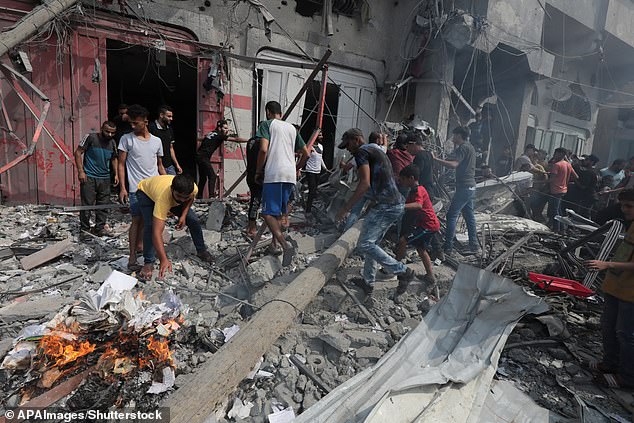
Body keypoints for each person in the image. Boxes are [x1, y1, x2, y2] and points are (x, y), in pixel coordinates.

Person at [335, 128, 414, 296]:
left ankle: (403, 271)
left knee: (365, 244)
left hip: (388, 205)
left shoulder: (362, 152)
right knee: (372, 243)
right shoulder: (375, 149)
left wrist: (345, 209)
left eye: (348, 144)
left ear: (357, 140)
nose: (348, 149)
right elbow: (378, 181)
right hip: (392, 203)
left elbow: (364, 184)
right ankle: (368, 282)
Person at [585, 189, 634, 390]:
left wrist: (608, 265)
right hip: (616, 286)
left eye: (629, 206)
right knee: (609, 327)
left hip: (630, 292)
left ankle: (627, 378)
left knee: (626, 334)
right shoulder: (631, 225)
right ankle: (609, 363)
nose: (624, 210)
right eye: (622, 205)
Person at [255, 101, 309, 266]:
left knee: (267, 213)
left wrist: (258, 170)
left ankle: (285, 245)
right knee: (279, 212)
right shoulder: (292, 128)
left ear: (268, 112)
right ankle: (275, 244)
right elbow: (306, 153)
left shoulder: (267, 124)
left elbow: (263, 149)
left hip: (274, 173)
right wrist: (297, 167)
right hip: (289, 175)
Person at [136, 174, 212, 279]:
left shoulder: (193, 189)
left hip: (164, 193)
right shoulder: (163, 198)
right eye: (179, 196)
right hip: (145, 193)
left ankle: (201, 250)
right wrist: (164, 259)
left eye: (184, 197)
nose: (181, 200)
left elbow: (190, 199)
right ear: (172, 189)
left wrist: (184, 216)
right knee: (150, 226)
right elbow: (156, 233)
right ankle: (148, 262)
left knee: (193, 220)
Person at [118, 104, 166, 271]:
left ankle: (142, 247)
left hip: (153, 189)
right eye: (130, 123)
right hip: (135, 189)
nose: (132, 126)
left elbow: (160, 166)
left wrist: (167, 184)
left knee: (150, 221)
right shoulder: (126, 139)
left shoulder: (157, 141)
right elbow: (121, 164)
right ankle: (132, 255)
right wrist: (123, 188)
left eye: (135, 123)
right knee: (136, 220)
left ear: (145, 122)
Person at [433, 127, 479, 256]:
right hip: (470, 187)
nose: (453, 138)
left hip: (464, 187)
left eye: (454, 135)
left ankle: (448, 247)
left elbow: (454, 164)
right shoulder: (470, 147)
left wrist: (436, 159)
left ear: (459, 135)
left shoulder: (463, 148)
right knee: (469, 217)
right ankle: (474, 246)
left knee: (451, 215)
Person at [394, 164, 440, 294]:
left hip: (428, 225)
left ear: (411, 178)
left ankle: (395, 268)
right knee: (421, 249)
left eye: (403, 179)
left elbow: (418, 205)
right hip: (427, 224)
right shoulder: (413, 191)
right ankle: (430, 276)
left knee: (403, 241)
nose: (401, 181)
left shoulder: (419, 190)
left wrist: (401, 206)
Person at [74, 121, 119, 236]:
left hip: (105, 178)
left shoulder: (112, 143)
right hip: (89, 177)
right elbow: (78, 153)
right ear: (101, 129)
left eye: (112, 133)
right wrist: (81, 171)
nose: (109, 135)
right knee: (87, 206)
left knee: (103, 205)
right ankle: (84, 229)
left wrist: (116, 174)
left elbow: (114, 159)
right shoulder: (90, 138)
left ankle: (100, 228)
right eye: (107, 131)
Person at [196, 119, 248, 198]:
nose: (227, 130)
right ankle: (211, 197)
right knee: (212, 176)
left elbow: (202, 138)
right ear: (220, 128)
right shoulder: (220, 135)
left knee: (203, 178)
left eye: (227, 128)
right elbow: (236, 140)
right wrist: (249, 140)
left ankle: (199, 197)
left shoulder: (212, 133)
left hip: (199, 156)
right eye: (225, 128)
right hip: (203, 157)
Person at [533, 147, 578, 231]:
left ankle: (556, 229)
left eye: (556, 153)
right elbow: (576, 176)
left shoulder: (556, 165)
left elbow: (551, 180)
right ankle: (562, 229)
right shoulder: (567, 164)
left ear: (561, 154)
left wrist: (537, 182)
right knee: (559, 210)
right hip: (563, 190)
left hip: (556, 191)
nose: (554, 155)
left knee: (554, 211)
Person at [149, 105, 182, 176]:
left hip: (169, 166)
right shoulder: (151, 128)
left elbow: (171, 148)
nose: (171, 119)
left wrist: (177, 164)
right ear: (161, 115)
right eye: (169, 116)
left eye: (172, 116)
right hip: (155, 167)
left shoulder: (169, 129)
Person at [304, 132, 327, 220]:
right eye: (320, 135)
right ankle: (308, 210)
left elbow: (320, 159)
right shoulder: (309, 146)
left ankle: (311, 207)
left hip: (318, 171)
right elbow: (304, 157)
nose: (322, 136)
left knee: (315, 191)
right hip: (310, 171)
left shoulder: (321, 147)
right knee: (312, 191)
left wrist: (325, 168)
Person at [245, 135, 262, 238]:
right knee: (256, 201)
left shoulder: (251, 140)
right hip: (258, 175)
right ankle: (251, 229)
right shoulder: (262, 142)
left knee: (255, 201)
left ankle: (252, 227)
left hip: (251, 174)